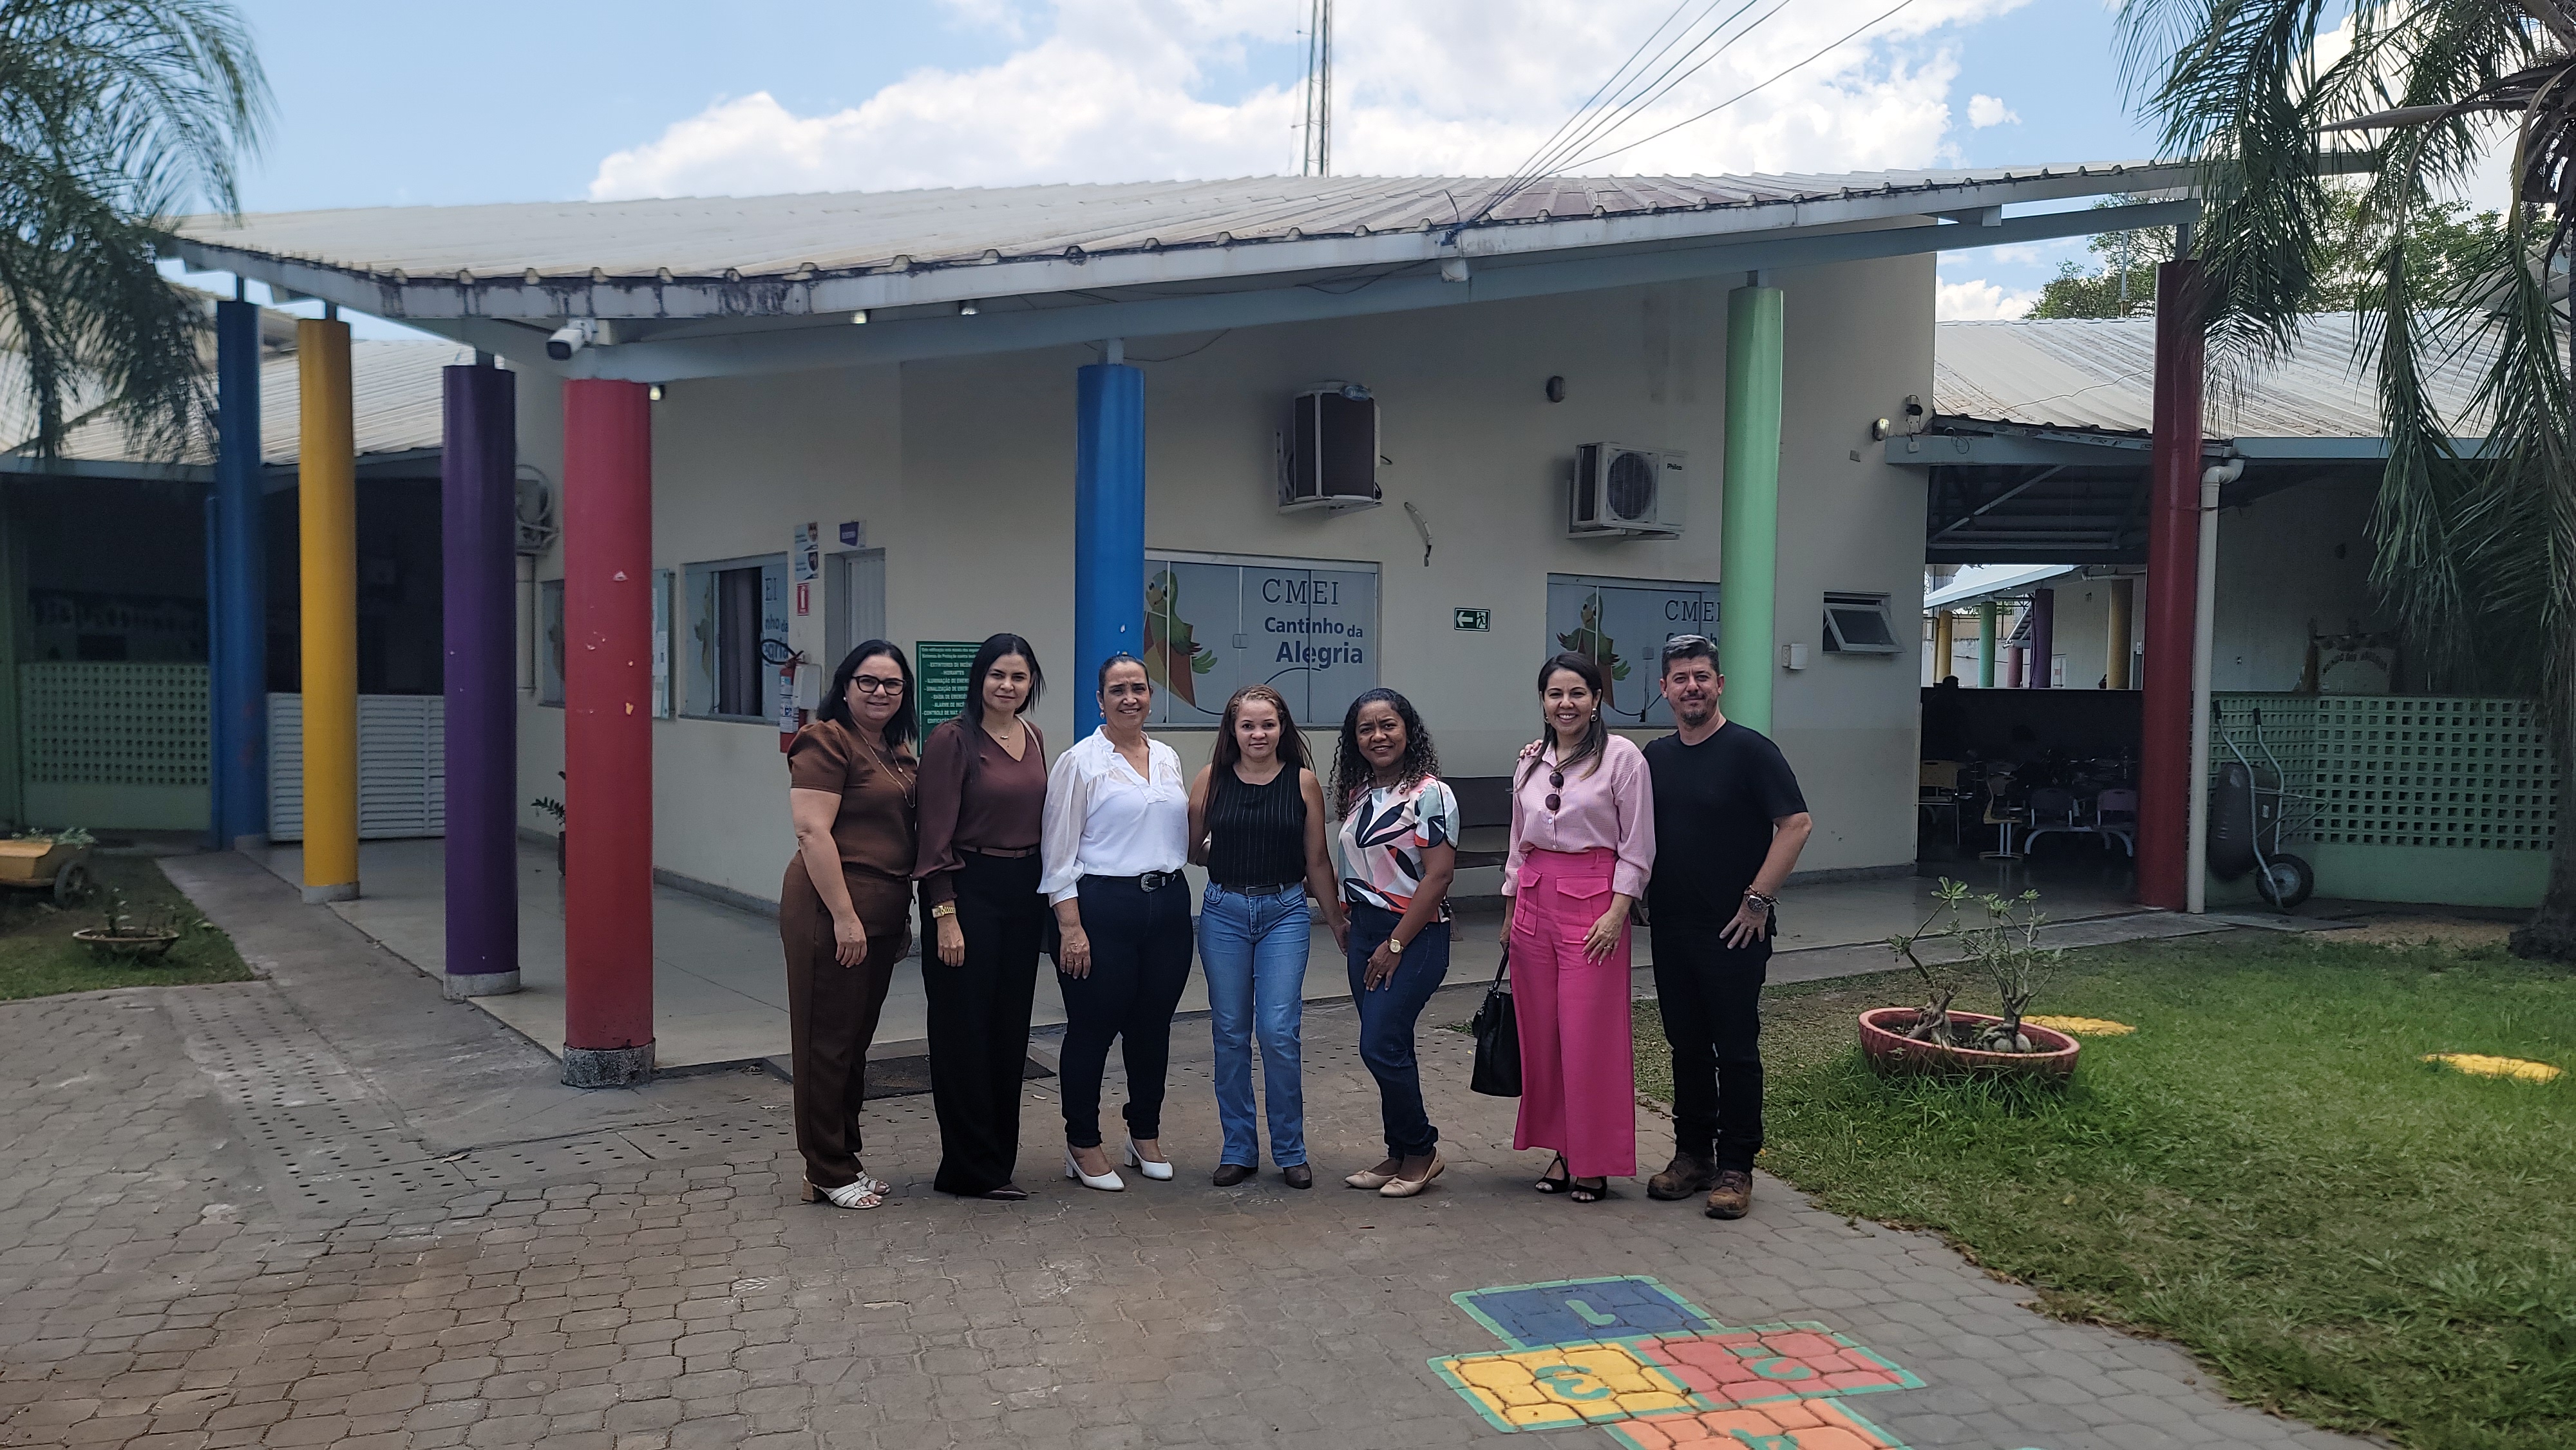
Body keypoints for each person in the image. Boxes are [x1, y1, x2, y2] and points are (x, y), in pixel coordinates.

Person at [1640, 635, 1812, 1221]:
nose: (1692, 687)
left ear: (1720, 685)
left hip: (1736, 930)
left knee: (1735, 1049)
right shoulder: (1654, 758)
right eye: (1681, 678)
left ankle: (1737, 1165)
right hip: (1671, 926)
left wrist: (1758, 900)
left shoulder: (1751, 752)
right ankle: (1693, 1157)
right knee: (1685, 1045)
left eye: (1702, 677)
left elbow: (1796, 824)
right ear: (1664, 690)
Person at [1502, 652, 1655, 1204]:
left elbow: (1638, 844)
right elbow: (1519, 844)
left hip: (1595, 904)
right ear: (1542, 702)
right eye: (1554, 694)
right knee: (1543, 1035)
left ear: (1596, 701)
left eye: (1577, 694)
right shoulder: (1530, 761)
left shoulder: (1623, 759)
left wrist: (1619, 910)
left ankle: (1596, 1161)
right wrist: (1509, 913)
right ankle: (1563, 1150)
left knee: (1590, 1035)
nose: (1565, 704)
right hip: (1533, 902)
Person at [1040, 655, 1194, 1192]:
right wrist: (1071, 927)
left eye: (1139, 688)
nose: (1130, 698)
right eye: (1117, 689)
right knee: (1092, 1029)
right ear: (1099, 699)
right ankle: (1082, 1142)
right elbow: (1057, 854)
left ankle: (1144, 1134)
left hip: (1168, 906)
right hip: (1103, 908)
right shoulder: (1080, 762)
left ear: (1151, 696)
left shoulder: (1169, 757)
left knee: (1152, 1028)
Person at [780, 641, 920, 1210]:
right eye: (868, 682)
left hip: (882, 909)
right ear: (845, 686)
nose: (880, 692)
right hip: (831, 909)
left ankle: (846, 1158)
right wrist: (844, 917)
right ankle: (826, 1168)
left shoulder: (896, 750)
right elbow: (813, 833)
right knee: (826, 1043)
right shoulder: (827, 740)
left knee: (855, 1043)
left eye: (891, 684)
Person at [1187, 685, 1343, 1190]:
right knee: (1230, 1032)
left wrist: (1337, 919)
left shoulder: (1303, 783)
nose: (1258, 734)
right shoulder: (1212, 780)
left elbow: (1316, 860)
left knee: (1278, 1030)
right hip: (1225, 913)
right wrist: (1231, 852)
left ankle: (1291, 1150)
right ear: (1232, 730)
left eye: (1268, 724)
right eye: (1248, 725)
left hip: (1284, 912)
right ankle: (1238, 1148)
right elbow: (1194, 850)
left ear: (1283, 728)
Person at [914, 634, 1050, 1201]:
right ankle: (967, 1169)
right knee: (963, 1031)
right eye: (998, 675)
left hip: (1023, 893)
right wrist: (945, 916)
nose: (1008, 686)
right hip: (966, 891)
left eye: (1019, 677)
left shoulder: (1034, 736)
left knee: (1008, 1028)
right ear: (980, 679)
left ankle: (999, 1160)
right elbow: (933, 835)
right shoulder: (952, 740)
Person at [1331, 688, 1458, 1199]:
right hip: (1364, 930)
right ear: (1354, 739)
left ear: (1408, 730)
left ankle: (1424, 1151)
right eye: (1366, 728)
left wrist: (1396, 944)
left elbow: (1439, 875)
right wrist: (1344, 918)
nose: (1378, 736)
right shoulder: (1359, 792)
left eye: (1388, 725)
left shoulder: (1430, 794)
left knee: (1379, 1044)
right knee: (1392, 1042)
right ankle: (1400, 1151)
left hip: (1414, 934)